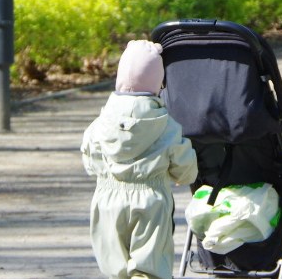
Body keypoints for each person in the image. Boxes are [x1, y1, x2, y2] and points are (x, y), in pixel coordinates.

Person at [82, 40, 198, 279]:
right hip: (150, 201)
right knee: (149, 266)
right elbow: (185, 167)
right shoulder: (166, 125)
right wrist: (183, 175)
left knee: (115, 266)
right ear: (159, 84)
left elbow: (90, 158)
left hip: (107, 199)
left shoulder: (101, 122)